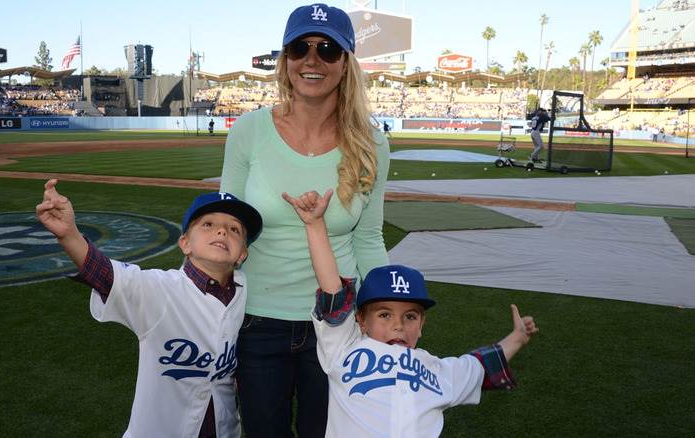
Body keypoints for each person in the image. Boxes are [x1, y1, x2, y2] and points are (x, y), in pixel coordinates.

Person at [219, 3, 390, 437]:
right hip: (257, 321)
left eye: (328, 49)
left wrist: (388, 312)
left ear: (346, 63)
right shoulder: (249, 131)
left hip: (338, 324)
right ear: (285, 61)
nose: (312, 60)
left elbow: (368, 239)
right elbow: (225, 228)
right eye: (300, 48)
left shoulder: (372, 144)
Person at [283, 189, 539, 437]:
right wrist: (315, 225)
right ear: (360, 320)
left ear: (422, 323)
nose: (399, 326)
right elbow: (332, 291)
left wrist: (517, 338)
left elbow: (479, 367)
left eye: (410, 316)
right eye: (385, 314)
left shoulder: (435, 368)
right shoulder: (344, 348)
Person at [35, 179, 262, 438]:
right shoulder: (159, 289)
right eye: (208, 224)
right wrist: (70, 235)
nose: (222, 232)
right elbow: (106, 275)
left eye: (234, 229)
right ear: (185, 243)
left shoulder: (242, 291)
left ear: (242, 254)